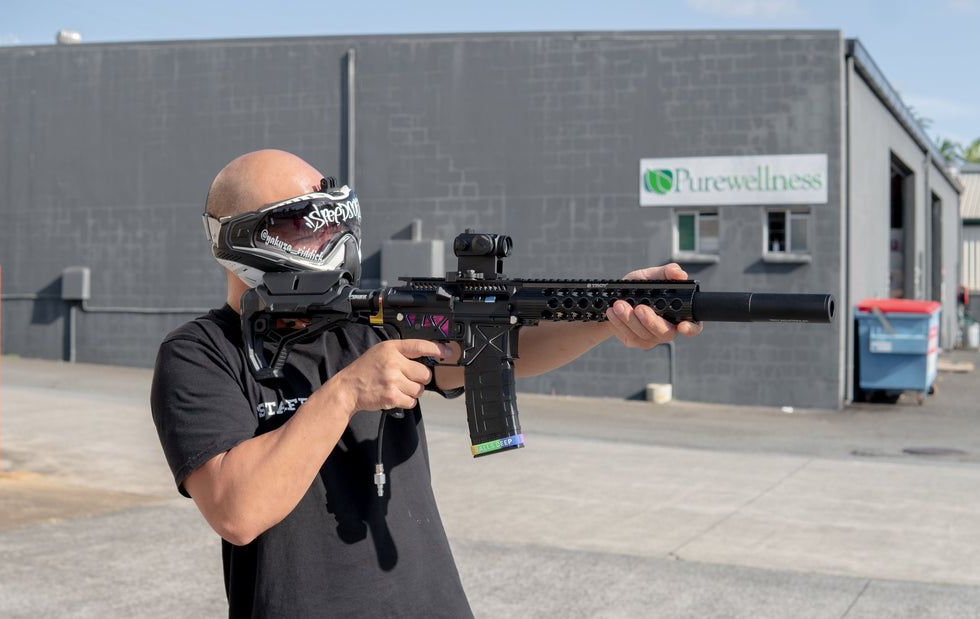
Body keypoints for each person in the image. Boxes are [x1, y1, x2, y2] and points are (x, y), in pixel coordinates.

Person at [150, 149, 702, 617]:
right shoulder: (199, 353)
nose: (330, 238)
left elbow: (503, 347)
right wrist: (346, 394)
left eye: (333, 219)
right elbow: (236, 512)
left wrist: (609, 309)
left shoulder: (371, 319)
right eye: (302, 224)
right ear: (243, 238)